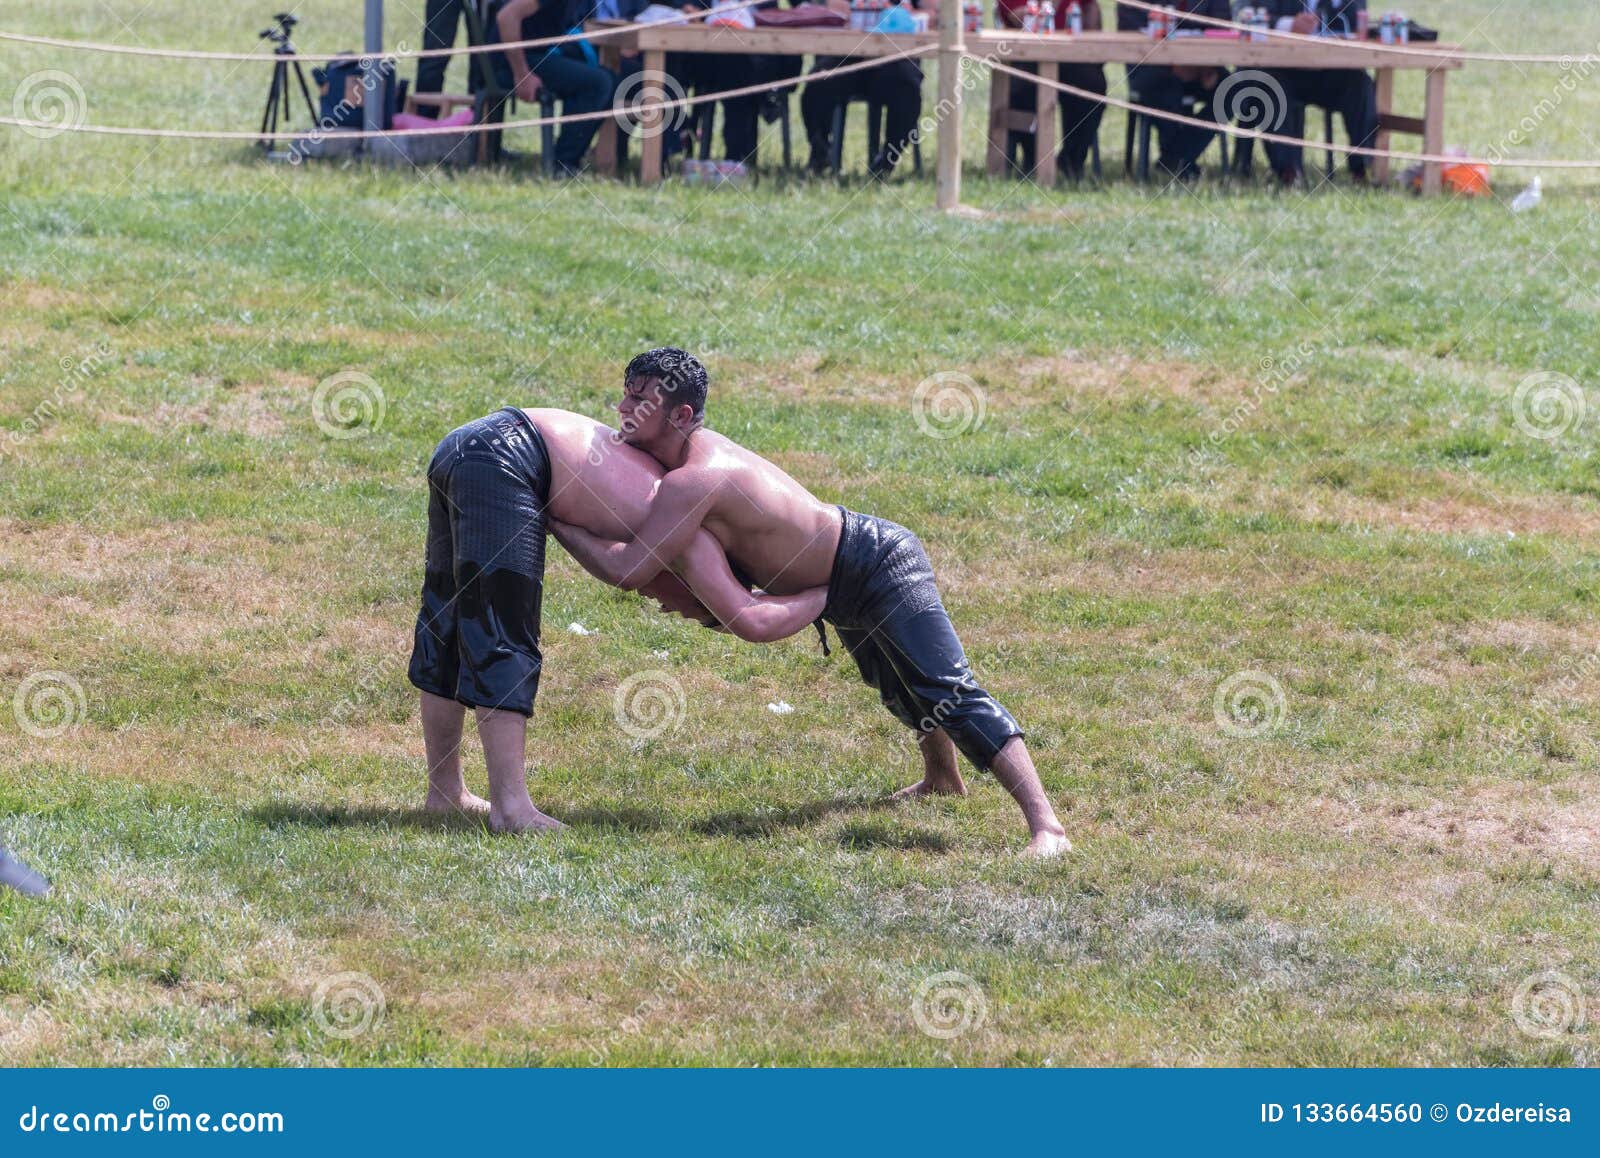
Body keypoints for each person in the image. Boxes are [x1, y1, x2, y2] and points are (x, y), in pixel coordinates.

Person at [553, 350, 1073, 857]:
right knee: (894, 679)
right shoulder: (678, 463)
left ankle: (1048, 827)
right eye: (624, 394)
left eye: (638, 400)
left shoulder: (697, 478)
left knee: (946, 689)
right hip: (846, 571)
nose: (621, 408)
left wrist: (555, 519)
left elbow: (627, 568)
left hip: (875, 560)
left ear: (680, 415)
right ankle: (942, 777)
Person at [408, 406, 828, 834]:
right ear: (703, 591)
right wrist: (826, 593)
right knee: (501, 633)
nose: (673, 611)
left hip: (465, 442)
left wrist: (555, 522)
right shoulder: (695, 547)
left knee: (449, 621)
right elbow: (750, 620)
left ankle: (445, 793)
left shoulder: (668, 523)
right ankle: (511, 808)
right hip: (508, 457)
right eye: (695, 612)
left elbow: (613, 564)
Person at [800, 0, 932, 178]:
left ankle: (886, 161)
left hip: (896, 57)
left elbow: (933, 13)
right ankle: (820, 153)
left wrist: (903, 14)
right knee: (818, 82)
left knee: (907, 87)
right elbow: (835, 9)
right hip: (848, 55)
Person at [1258, 0, 1378, 185]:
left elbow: (1358, 22)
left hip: (1331, 71)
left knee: (1361, 84)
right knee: (1271, 86)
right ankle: (1288, 171)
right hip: (1285, 69)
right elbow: (1255, 17)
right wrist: (1289, 25)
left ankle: (1361, 166)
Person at [491, 0, 618, 175]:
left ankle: (572, 158)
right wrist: (521, 74)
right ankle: (562, 164)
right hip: (510, 64)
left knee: (611, 80)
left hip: (538, 54)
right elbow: (506, 17)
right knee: (598, 83)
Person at [1116, 0, 1233, 181]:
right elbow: (1130, 29)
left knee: (1233, 89)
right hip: (1151, 66)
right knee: (1166, 88)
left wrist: (1205, 64)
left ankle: (1176, 157)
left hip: (1202, 66)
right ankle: (1181, 162)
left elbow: (1223, 26)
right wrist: (1172, 63)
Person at [995, 0, 1106, 181]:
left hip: (1072, 55)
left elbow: (1090, 6)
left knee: (1092, 85)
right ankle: (1034, 157)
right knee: (1020, 90)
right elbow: (1018, 17)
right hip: (1025, 54)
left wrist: (1091, 39)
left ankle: (1071, 161)